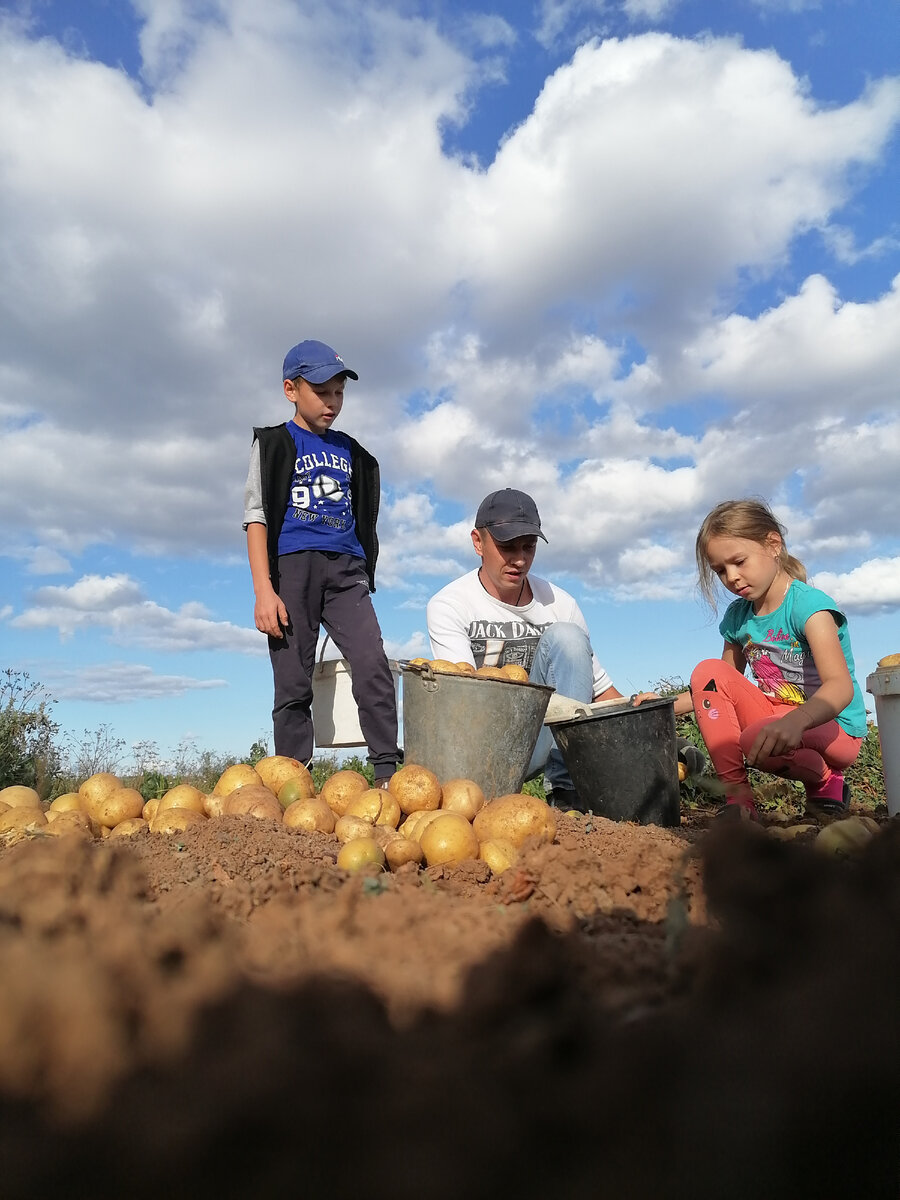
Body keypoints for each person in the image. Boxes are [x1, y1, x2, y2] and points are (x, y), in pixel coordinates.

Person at [243, 339, 400, 786]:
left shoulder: (353, 452)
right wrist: (264, 590)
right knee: (293, 681)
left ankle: (387, 773)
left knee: (372, 662)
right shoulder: (274, 443)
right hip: (293, 568)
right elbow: (255, 517)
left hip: (346, 571)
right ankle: (295, 781)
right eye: (322, 392)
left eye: (339, 393)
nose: (333, 402)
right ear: (291, 389)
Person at [665, 498, 867, 820]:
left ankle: (828, 779)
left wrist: (797, 720)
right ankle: (738, 799)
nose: (731, 577)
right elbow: (716, 687)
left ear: (773, 545)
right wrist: (655, 707)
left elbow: (840, 687)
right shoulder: (738, 617)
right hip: (778, 717)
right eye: (720, 570)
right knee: (707, 670)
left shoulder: (809, 607)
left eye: (739, 562)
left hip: (836, 728)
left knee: (756, 739)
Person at [426, 488, 625, 809]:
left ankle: (567, 794)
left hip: (540, 742)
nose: (519, 560)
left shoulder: (560, 603)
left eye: (528, 547)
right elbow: (463, 706)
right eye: (507, 547)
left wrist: (648, 713)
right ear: (478, 542)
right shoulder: (449, 604)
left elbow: (599, 693)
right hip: (480, 746)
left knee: (568, 637)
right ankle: (483, 801)